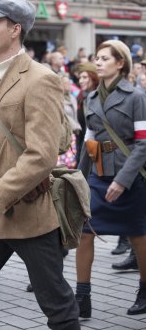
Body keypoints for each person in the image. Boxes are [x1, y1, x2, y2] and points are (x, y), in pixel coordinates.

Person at [0, 0, 80, 330]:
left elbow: (41, 155)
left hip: (29, 209)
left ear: (15, 30)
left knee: (55, 301)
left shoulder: (40, 78)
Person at [76, 40, 146, 318]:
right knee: (84, 233)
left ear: (120, 63)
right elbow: (88, 142)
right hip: (99, 175)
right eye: (97, 58)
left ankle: (144, 290)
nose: (99, 62)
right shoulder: (90, 99)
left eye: (105, 58)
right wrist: (78, 179)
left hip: (129, 177)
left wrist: (123, 181)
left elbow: (143, 143)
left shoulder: (136, 97)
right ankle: (82, 297)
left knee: (138, 235)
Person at [76, 62, 99, 164]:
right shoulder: (81, 98)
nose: (80, 81)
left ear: (94, 78)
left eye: (85, 77)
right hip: (84, 146)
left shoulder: (101, 98)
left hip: (99, 149)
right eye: (80, 78)